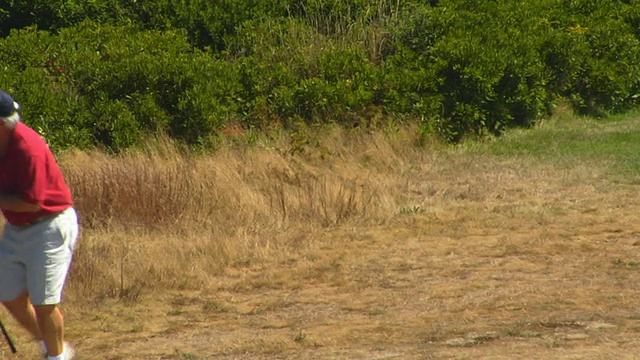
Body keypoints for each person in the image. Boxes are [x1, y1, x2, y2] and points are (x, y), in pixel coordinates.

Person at [0, 89, 78, 360]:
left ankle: (56, 356)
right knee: (7, 293)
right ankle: (51, 346)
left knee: (44, 303)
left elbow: (31, 202)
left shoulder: (28, 148)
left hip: (49, 226)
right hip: (16, 228)